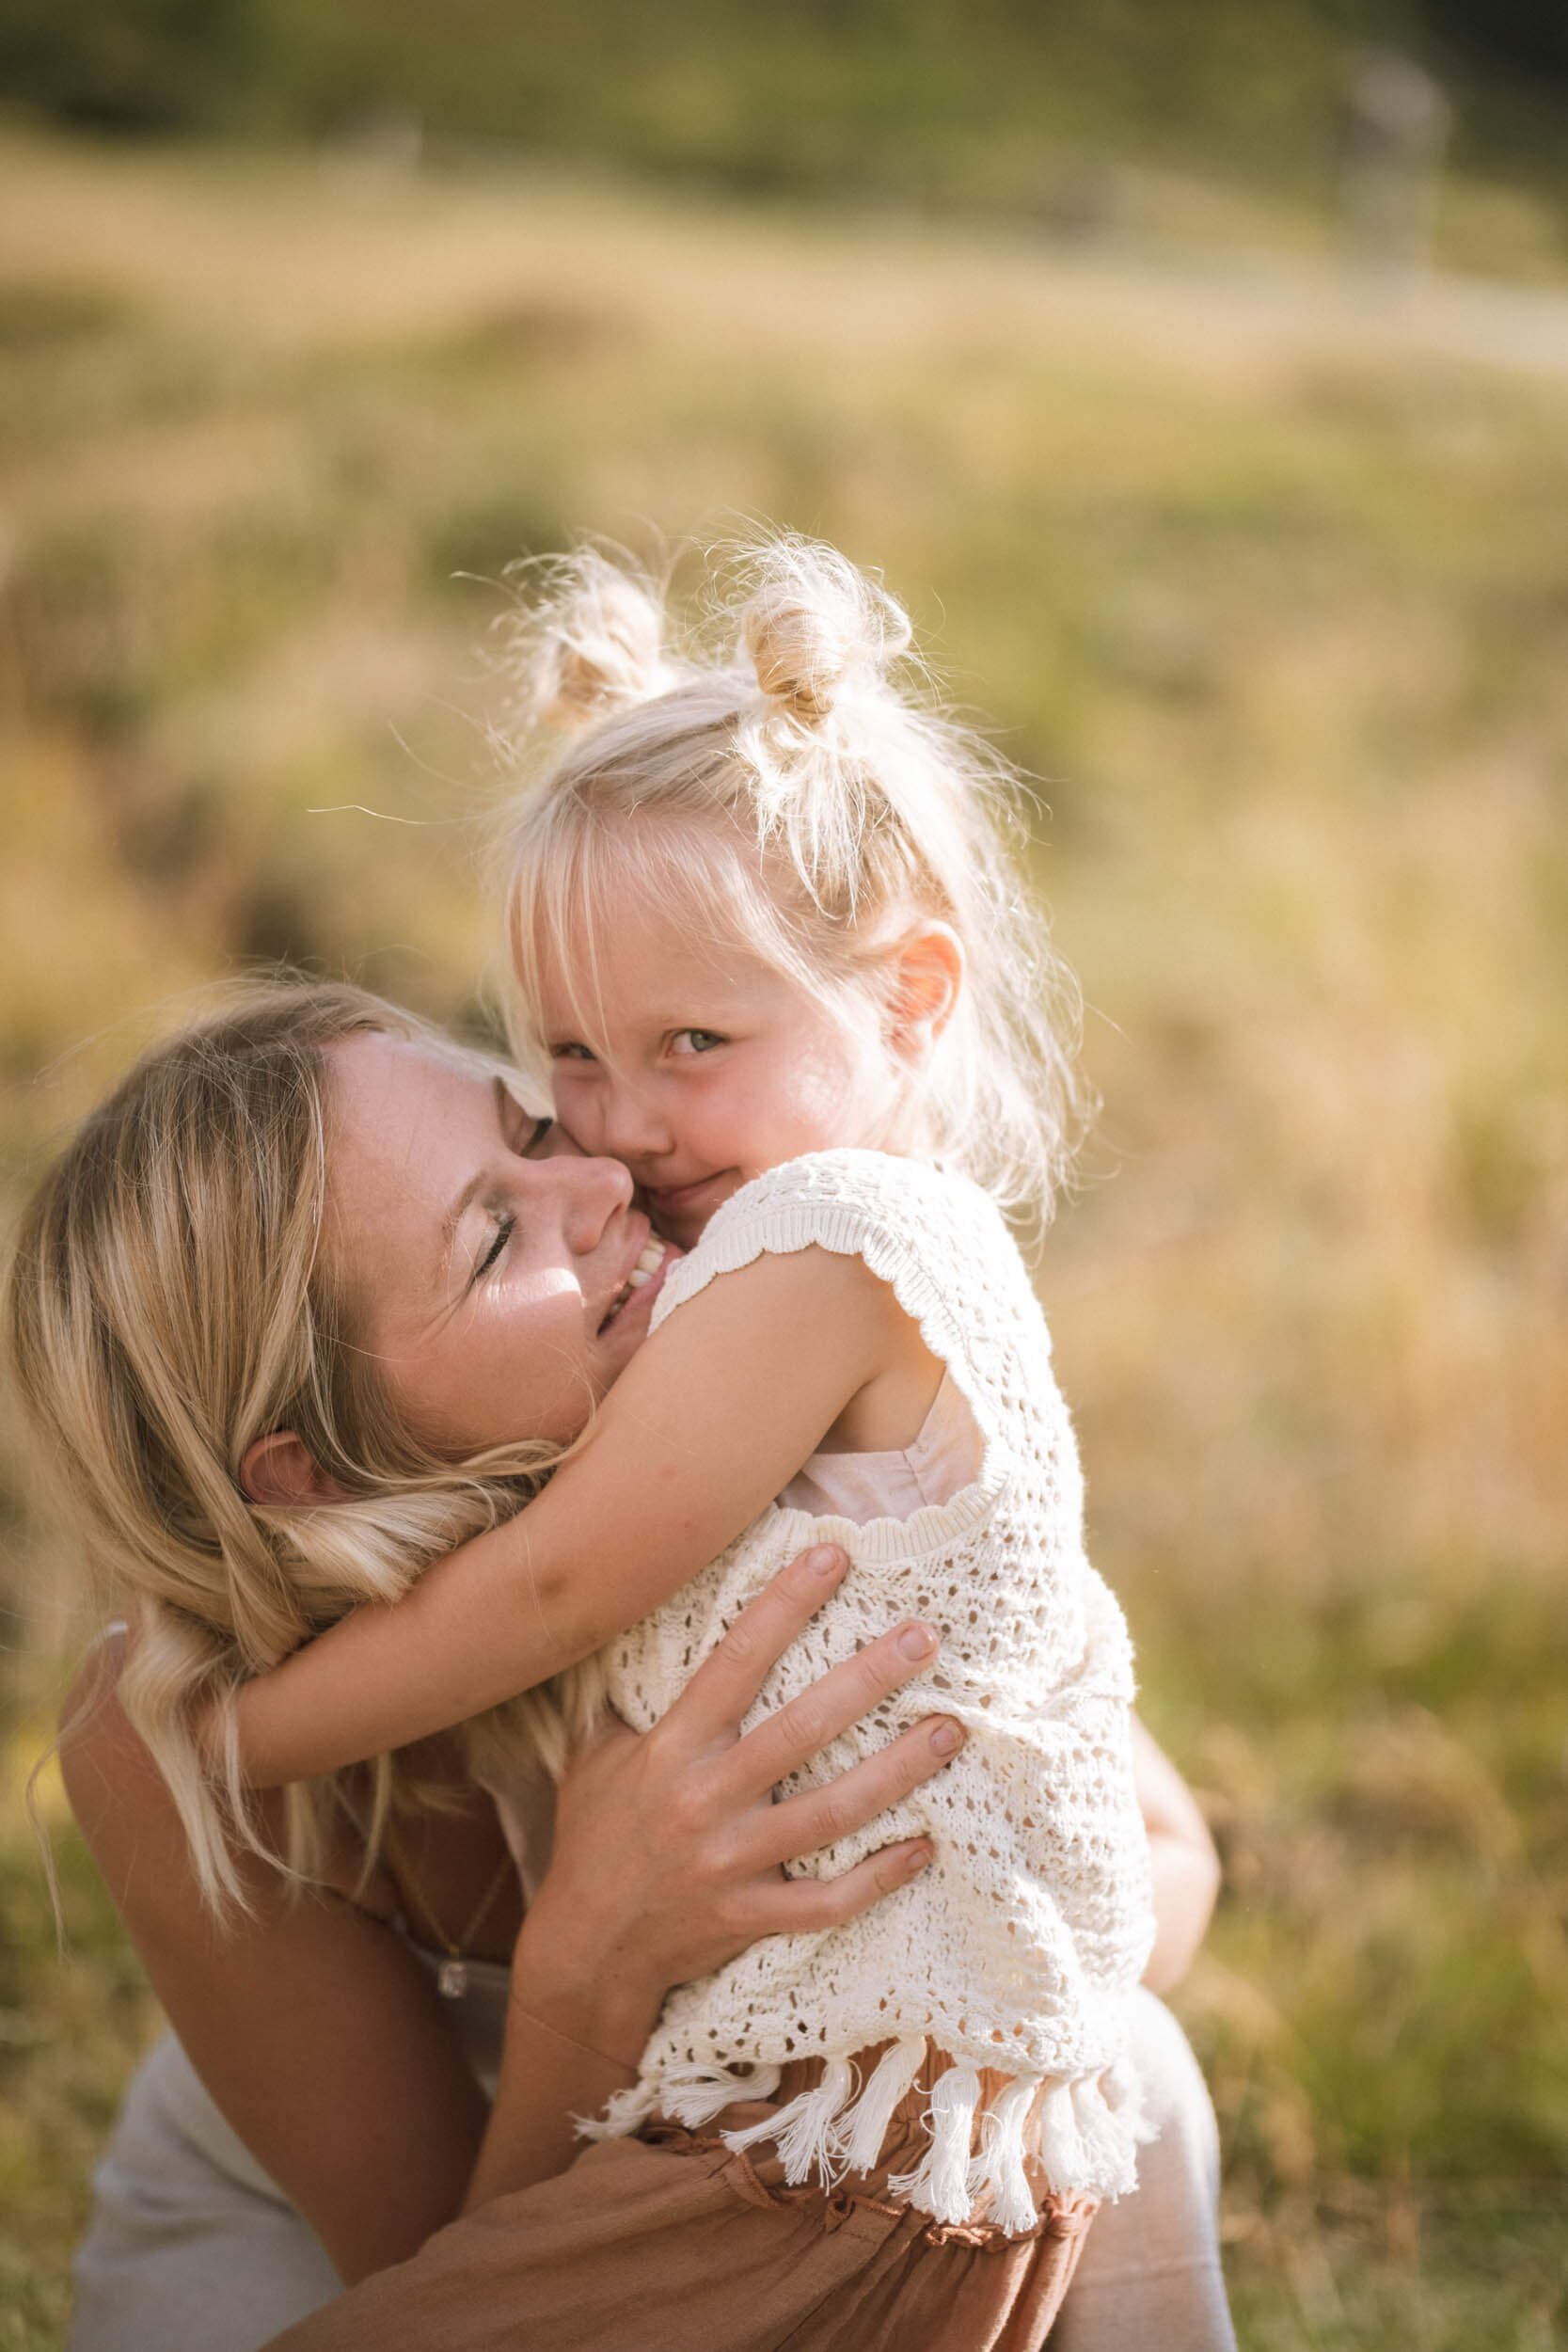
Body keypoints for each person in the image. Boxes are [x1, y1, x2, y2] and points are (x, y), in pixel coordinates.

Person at [219, 538, 1238, 2344]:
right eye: (572, 1055)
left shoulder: (838, 1242)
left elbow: (546, 1583)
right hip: (787, 2126)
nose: (622, 1127)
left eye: (694, 1039)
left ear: (909, 1001)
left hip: (828, 2155)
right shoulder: (747, 1257)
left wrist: (243, 1732)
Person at [9, 983, 1231, 2352]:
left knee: (1121, 2066)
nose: (600, 1180)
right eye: (491, 1236)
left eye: (533, 1128)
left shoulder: (746, 1420)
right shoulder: (185, 1736)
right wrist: (587, 1965)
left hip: (763, 2183)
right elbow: (450, 2285)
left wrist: (921, 1924)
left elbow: (1165, 1856)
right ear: (317, 1466)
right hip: (331, 2247)